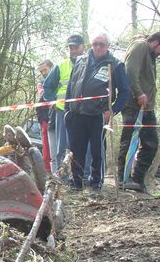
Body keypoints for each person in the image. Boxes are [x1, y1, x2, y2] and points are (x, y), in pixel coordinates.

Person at [64, 33, 128, 194]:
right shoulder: (80, 60)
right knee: (76, 150)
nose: (98, 47)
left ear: (108, 46)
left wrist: (112, 110)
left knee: (96, 151)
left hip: (98, 115)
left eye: (102, 44)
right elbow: (71, 86)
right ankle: (76, 182)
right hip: (76, 113)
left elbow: (125, 92)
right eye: (95, 44)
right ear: (91, 45)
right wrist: (67, 109)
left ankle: (95, 184)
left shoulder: (115, 64)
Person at [118, 32, 160, 192]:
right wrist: (138, 92)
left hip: (147, 108)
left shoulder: (150, 54)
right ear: (154, 42)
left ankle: (137, 179)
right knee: (128, 142)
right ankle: (122, 179)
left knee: (151, 143)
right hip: (133, 104)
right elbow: (130, 71)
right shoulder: (140, 46)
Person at [41, 35, 87, 173]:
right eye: (70, 48)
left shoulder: (90, 64)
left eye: (75, 47)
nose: (72, 51)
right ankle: (63, 176)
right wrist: (53, 100)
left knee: (82, 144)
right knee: (63, 146)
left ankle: (81, 175)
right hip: (63, 111)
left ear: (83, 47)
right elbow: (47, 87)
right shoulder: (61, 66)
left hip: (84, 111)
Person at [36, 60, 54, 172]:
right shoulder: (41, 83)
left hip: (58, 117)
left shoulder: (59, 80)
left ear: (51, 68)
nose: (43, 73)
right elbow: (43, 98)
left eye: (45, 70)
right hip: (45, 118)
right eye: (41, 71)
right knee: (47, 148)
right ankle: (47, 171)